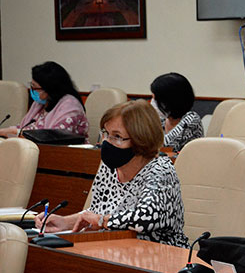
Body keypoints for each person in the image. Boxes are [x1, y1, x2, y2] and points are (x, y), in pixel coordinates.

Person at [36, 100, 190, 248]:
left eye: (117, 136)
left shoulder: (161, 170)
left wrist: (101, 220)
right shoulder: (109, 167)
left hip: (159, 255)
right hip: (113, 247)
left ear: (141, 140)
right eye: (106, 133)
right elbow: (97, 212)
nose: (107, 142)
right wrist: (65, 222)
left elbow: (144, 218)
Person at [0, 61, 88, 138]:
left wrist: (17, 133)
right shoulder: (41, 103)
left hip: (63, 153)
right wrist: (6, 131)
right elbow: (23, 127)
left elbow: (54, 136)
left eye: (35, 87)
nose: (32, 90)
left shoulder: (70, 106)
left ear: (50, 89)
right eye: (31, 85)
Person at [149, 72, 203, 152]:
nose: (152, 102)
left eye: (156, 99)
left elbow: (164, 147)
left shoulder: (191, 119)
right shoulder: (162, 120)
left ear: (170, 100)